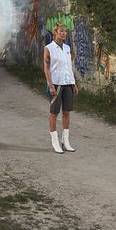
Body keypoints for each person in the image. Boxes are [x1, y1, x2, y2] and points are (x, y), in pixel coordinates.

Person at [44, 22, 78, 154]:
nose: (63, 33)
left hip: (68, 83)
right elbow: (46, 68)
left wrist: (74, 83)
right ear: (55, 33)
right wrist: (50, 85)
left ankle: (66, 141)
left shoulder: (68, 48)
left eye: (65, 31)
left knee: (67, 112)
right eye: (61, 31)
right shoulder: (49, 48)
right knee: (54, 113)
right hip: (56, 84)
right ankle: (55, 142)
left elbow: (69, 67)